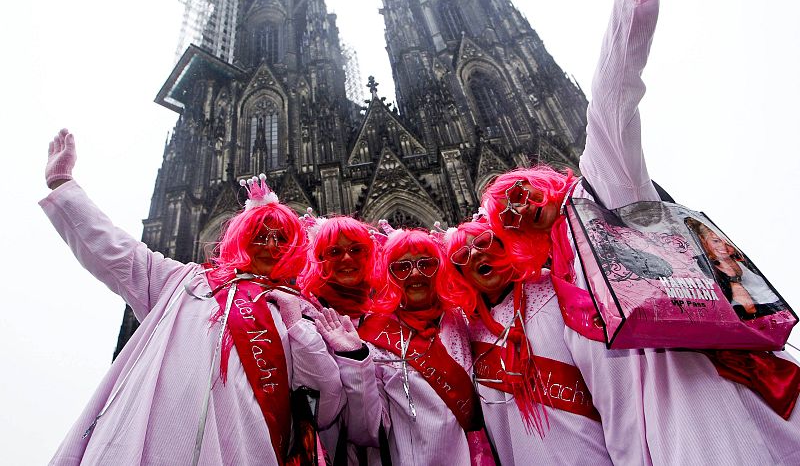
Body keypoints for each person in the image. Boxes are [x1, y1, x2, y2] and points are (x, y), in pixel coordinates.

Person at [481, 0, 800, 465]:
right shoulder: (547, 294)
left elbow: (612, 97)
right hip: (645, 441)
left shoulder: (602, 198)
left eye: (522, 192)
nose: (516, 208)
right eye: (504, 213)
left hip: (706, 401)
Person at [42, 128, 347, 465]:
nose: (271, 246)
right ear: (242, 239)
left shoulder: (301, 311)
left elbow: (327, 399)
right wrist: (64, 186)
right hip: (153, 443)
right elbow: (120, 254)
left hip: (246, 450)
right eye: (260, 236)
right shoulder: (188, 282)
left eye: (281, 239)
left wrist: (297, 325)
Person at [441, 219, 611, 465]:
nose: (476, 253)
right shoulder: (471, 332)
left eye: (483, 242)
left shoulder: (554, 289)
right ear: (459, 273)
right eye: (462, 255)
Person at [326, 227, 493, 465]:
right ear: (389, 275)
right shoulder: (374, 336)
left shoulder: (462, 321)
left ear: (440, 269)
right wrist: (356, 360)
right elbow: (368, 430)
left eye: (426, 264)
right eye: (402, 267)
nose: (415, 274)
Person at [298, 215, 384, 465]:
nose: (347, 258)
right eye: (334, 251)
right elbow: (318, 412)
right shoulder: (305, 315)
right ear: (319, 259)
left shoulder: (388, 312)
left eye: (356, 249)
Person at [685, 216, 784, 319]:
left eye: (727, 243)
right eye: (716, 241)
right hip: (758, 315)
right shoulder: (702, 265)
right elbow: (746, 307)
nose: (724, 248)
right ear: (703, 240)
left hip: (780, 307)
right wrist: (733, 279)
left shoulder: (742, 258)